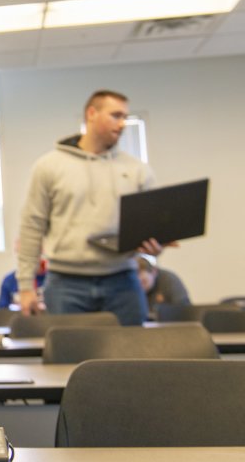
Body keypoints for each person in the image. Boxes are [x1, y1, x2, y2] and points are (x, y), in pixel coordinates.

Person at [16, 89, 164, 326]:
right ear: (92, 114)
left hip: (123, 280)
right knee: (66, 361)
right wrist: (26, 286)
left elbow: (152, 225)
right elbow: (32, 226)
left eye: (125, 117)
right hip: (66, 283)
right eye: (116, 115)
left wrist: (155, 246)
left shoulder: (138, 170)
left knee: (132, 360)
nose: (123, 123)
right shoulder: (49, 166)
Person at [137, 254, 191, 319]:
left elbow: (184, 310)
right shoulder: (128, 286)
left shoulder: (169, 280)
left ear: (154, 271)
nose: (137, 279)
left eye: (139, 273)